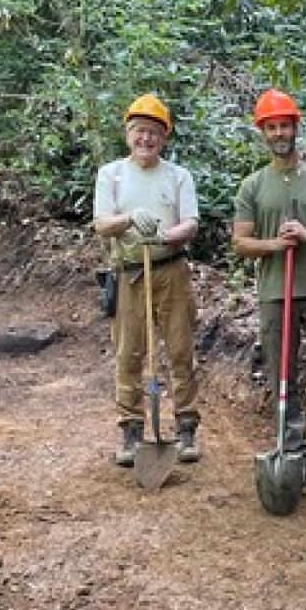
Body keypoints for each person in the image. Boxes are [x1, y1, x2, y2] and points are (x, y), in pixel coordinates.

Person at [233, 89, 306, 486]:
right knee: (280, 374)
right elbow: (241, 242)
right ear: (263, 133)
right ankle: (294, 450)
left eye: (285, 124)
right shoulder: (253, 186)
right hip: (273, 293)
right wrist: (275, 244)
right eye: (272, 127)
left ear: (295, 128)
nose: (279, 132)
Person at [93, 94, 201, 466]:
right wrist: (128, 220)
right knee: (130, 352)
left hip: (171, 270)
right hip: (129, 273)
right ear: (128, 134)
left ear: (164, 137)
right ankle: (131, 430)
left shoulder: (178, 176)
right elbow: (102, 222)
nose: (146, 139)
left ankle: (186, 427)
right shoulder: (112, 175)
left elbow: (191, 222)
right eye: (140, 131)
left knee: (179, 349)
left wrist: (166, 236)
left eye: (154, 132)